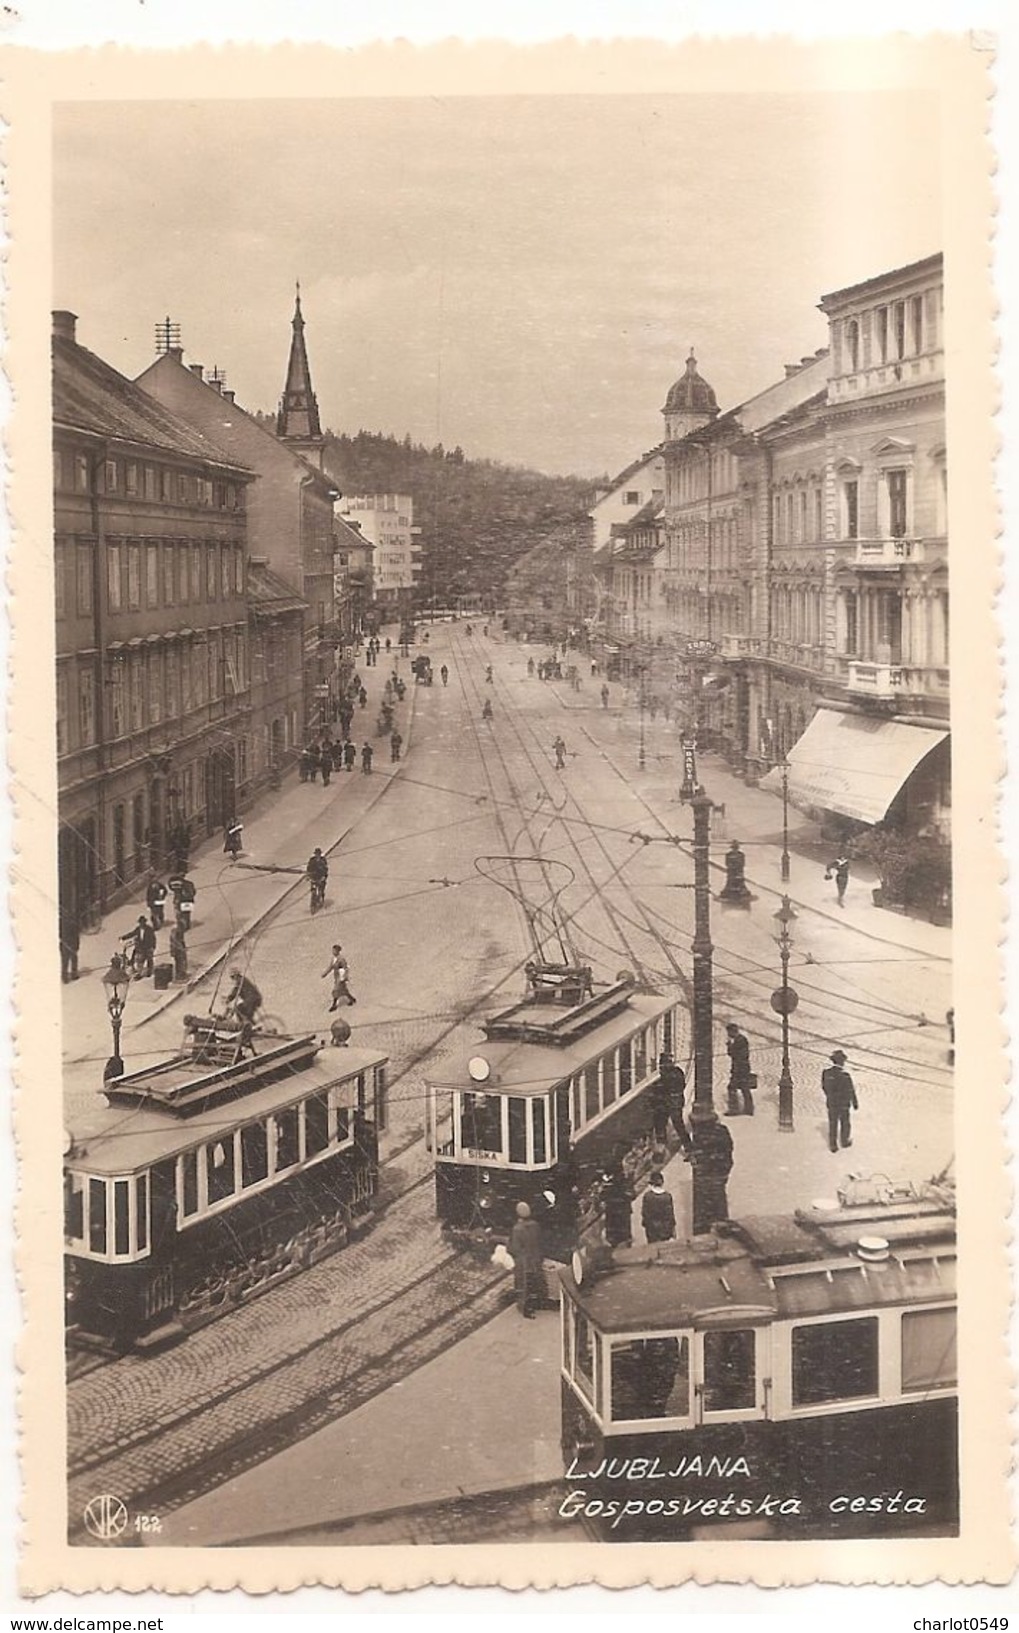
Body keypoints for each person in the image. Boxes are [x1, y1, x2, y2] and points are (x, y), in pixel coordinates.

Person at [690, 1119, 734, 1233]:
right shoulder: (723, 1131)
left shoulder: (699, 1133)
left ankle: (704, 1229)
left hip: (708, 1175)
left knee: (704, 1206)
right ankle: (721, 1227)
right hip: (719, 1173)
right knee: (719, 1200)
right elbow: (729, 1148)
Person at [508, 1201, 545, 1319]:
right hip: (535, 1259)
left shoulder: (517, 1229)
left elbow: (514, 1248)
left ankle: (524, 1307)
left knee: (522, 1284)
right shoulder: (535, 1225)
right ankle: (535, 1304)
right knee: (533, 1283)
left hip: (523, 1261)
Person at [822, 1049, 858, 1152]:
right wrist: (854, 1103)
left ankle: (833, 1145)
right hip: (843, 1104)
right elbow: (851, 1090)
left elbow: (824, 1087)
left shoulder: (826, 1073)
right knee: (845, 1123)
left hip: (832, 1103)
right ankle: (844, 1141)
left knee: (833, 1123)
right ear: (842, 1062)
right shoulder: (845, 1076)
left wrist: (830, 1097)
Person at [660, 1052, 693, 1155]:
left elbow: (664, 1088)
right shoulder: (678, 1071)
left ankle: (664, 1148)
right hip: (677, 1100)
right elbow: (682, 1085)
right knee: (678, 1125)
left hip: (670, 1102)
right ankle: (689, 1148)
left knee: (670, 1124)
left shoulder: (666, 1074)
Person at [599, 1159, 635, 1248]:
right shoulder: (626, 1182)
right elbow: (632, 1195)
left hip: (612, 1214)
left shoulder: (608, 1185)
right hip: (623, 1213)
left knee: (613, 1239)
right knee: (625, 1237)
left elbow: (602, 1196)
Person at [724, 1022, 755, 1116]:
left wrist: (730, 1046)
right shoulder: (738, 1040)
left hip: (741, 1068)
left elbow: (736, 1055)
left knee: (733, 1087)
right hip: (741, 1068)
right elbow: (731, 1054)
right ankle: (748, 1109)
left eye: (729, 1032)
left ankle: (735, 1109)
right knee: (744, 1088)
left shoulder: (741, 1040)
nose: (728, 1034)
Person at [640, 1172, 677, 1244]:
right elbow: (670, 1215)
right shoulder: (667, 1196)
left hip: (652, 1231)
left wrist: (647, 1226)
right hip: (666, 1231)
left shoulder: (647, 1196)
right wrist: (673, 1231)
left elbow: (645, 1214)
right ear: (662, 1182)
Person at [323, 944, 356, 1009]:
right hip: (336, 977)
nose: (333, 952)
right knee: (343, 990)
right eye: (333, 950)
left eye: (334, 950)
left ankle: (334, 1005)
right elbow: (331, 967)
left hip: (341, 977)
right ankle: (351, 999)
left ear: (338, 951)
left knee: (335, 990)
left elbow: (345, 968)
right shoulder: (333, 959)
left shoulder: (341, 959)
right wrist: (325, 973)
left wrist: (344, 977)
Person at [59, 908, 80, 983]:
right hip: (67, 944)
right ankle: (67, 976)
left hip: (69, 944)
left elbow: (76, 936)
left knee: (70, 959)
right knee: (67, 960)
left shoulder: (65, 924)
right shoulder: (69, 925)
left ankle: (71, 975)